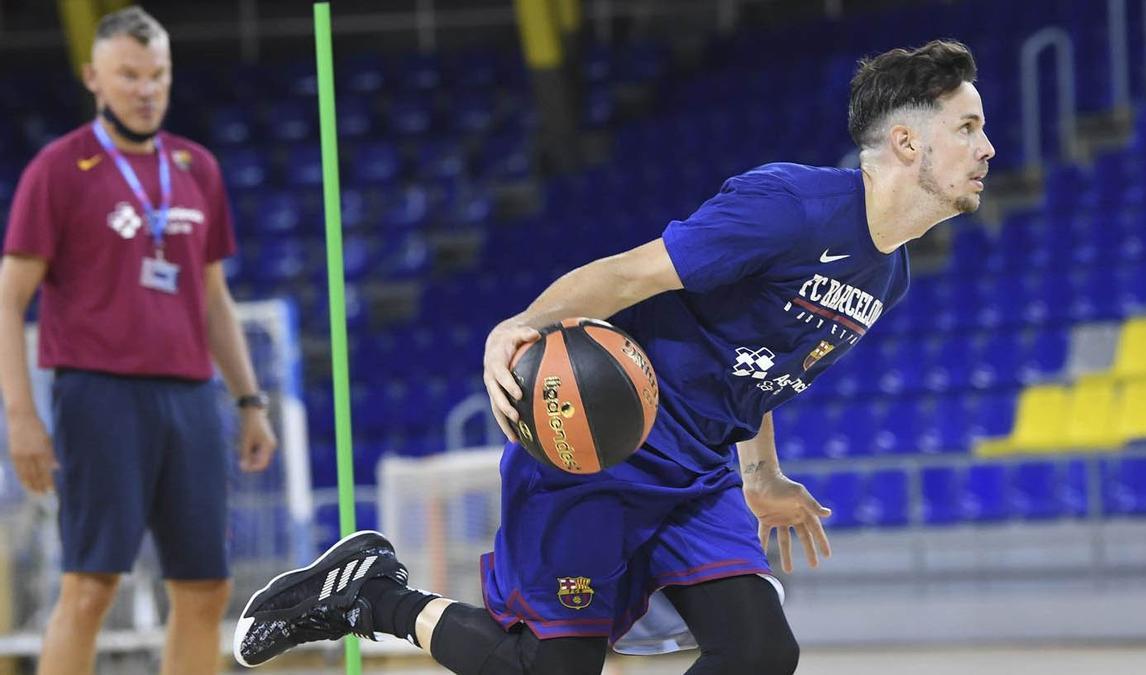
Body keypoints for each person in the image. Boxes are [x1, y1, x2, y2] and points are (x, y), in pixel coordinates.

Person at [234, 38, 994, 673]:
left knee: (760, 651)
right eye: (967, 126)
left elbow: (757, 373)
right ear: (905, 140)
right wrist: (525, 323)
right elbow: (629, 274)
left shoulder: (887, 274)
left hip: (696, 470)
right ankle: (373, 595)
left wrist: (761, 474)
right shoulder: (789, 207)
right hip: (600, 445)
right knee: (553, 669)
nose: (987, 147)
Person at [0, 7, 278, 675]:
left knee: (206, 588)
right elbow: (8, 296)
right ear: (94, 77)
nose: (146, 88)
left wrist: (248, 399)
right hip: (98, 394)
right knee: (91, 585)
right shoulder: (59, 168)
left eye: (158, 74)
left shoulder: (197, 168)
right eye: (129, 74)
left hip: (190, 397)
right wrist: (21, 416)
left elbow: (215, 299)